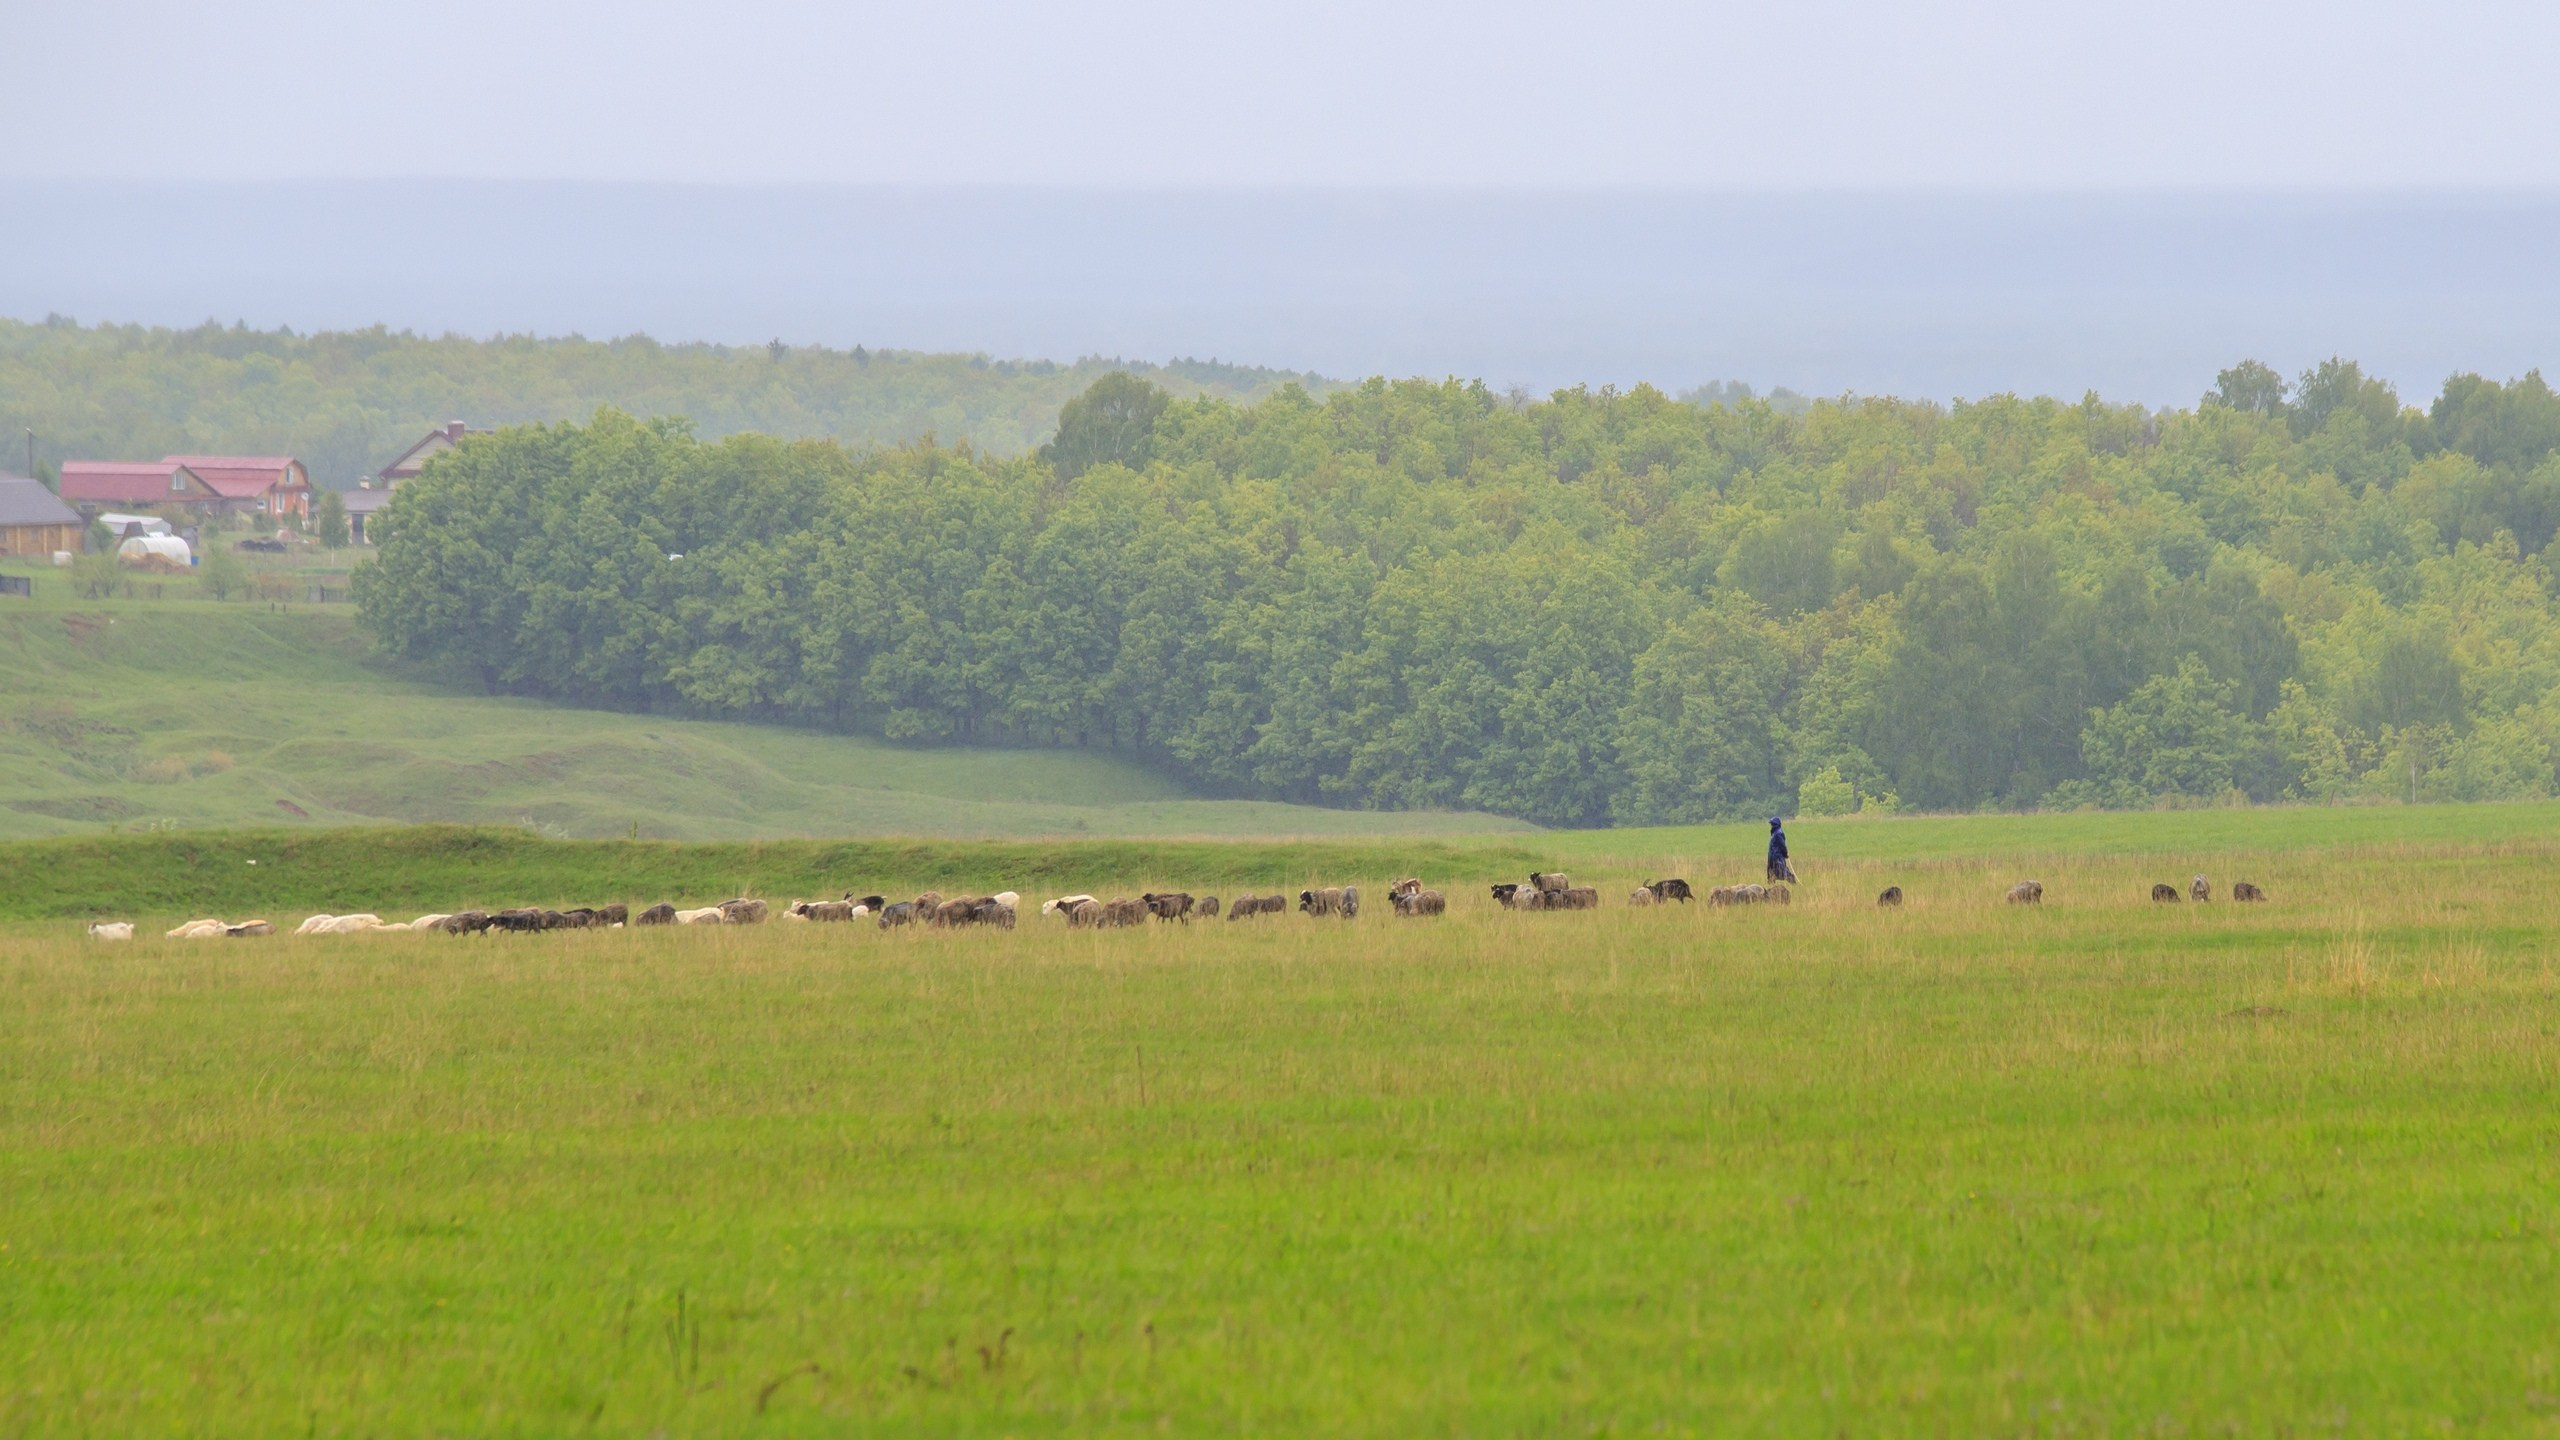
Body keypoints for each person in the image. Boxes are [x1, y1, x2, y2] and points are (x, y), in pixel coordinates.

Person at [1766, 816, 1797, 884]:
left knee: (1783, 872)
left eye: (1773, 824)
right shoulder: (1774, 834)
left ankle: (1794, 885)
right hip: (1772, 858)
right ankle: (1771, 889)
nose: (1771, 826)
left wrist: (1785, 853)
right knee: (1771, 874)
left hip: (1777, 858)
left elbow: (1782, 845)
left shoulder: (1778, 833)